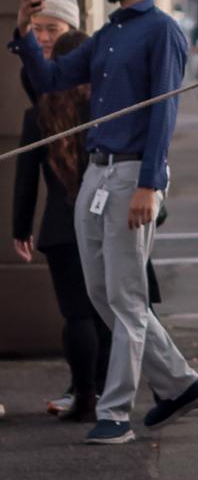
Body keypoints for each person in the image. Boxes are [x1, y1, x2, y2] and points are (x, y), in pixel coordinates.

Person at [10, 0, 198, 444]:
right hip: (94, 176)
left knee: (125, 296)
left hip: (129, 174)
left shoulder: (162, 32)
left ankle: (116, 411)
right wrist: (23, 32)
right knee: (105, 294)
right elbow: (50, 79)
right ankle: (183, 384)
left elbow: (165, 112)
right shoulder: (108, 33)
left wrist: (150, 183)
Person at [13, 30, 112, 422]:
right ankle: (109, 392)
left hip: (59, 226)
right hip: (103, 220)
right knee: (106, 310)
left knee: (76, 315)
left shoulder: (39, 112)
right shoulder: (104, 107)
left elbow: (25, 178)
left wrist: (20, 228)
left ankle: (84, 395)